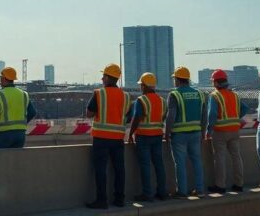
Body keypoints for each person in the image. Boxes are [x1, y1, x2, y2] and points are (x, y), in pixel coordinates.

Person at [85, 64, 131, 209]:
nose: (102, 79)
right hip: (118, 138)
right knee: (119, 169)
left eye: (103, 76)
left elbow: (89, 114)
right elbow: (128, 117)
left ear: (108, 78)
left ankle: (101, 200)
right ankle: (119, 199)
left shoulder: (99, 93)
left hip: (101, 138)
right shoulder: (126, 96)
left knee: (100, 169)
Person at [165, 66, 207, 198]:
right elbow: (204, 115)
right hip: (196, 133)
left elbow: (171, 116)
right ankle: (200, 190)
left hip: (179, 135)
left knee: (180, 163)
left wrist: (167, 132)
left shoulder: (174, 94)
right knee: (197, 161)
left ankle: (182, 192)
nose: (174, 81)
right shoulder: (200, 94)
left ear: (178, 79)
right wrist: (203, 131)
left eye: (174, 79)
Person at [205, 69, 248, 194]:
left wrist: (209, 130)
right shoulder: (234, 95)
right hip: (234, 130)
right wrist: (234, 116)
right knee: (236, 156)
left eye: (213, 81)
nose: (212, 84)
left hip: (220, 131)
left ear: (216, 83)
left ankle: (220, 186)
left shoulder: (214, 95)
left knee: (220, 158)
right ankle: (239, 184)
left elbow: (212, 114)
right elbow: (245, 109)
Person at [128, 72, 167, 202]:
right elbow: (163, 117)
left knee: (145, 165)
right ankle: (162, 192)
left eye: (141, 85)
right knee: (159, 164)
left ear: (144, 86)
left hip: (143, 136)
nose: (140, 87)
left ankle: (147, 194)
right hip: (157, 136)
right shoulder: (162, 101)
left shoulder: (141, 100)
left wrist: (131, 133)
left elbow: (136, 118)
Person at [0, 66, 36, 149]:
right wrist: (22, 124)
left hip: (3, 134)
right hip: (20, 134)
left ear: (4, 79)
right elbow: (32, 112)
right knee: (15, 157)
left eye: (0, 78)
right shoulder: (24, 94)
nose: (0, 80)